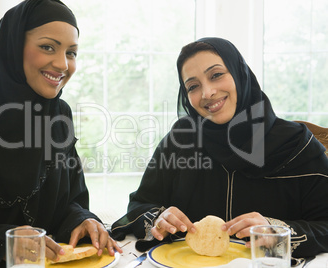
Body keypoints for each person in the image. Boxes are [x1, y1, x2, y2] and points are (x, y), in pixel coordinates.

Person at [0, 0, 121, 267]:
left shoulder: (59, 116)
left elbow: (70, 201)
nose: (63, 64)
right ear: (13, 48)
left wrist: (82, 220)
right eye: (47, 47)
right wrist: (5, 242)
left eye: (72, 52)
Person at [111, 37, 328, 263]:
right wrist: (159, 218)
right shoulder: (181, 140)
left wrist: (278, 230)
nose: (207, 92)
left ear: (239, 73)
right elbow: (139, 205)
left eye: (216, 75)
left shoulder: (297, 145)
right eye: (193, 86)